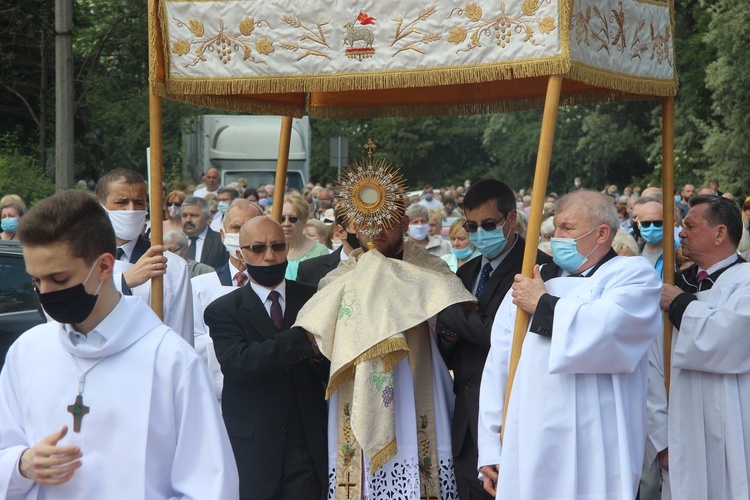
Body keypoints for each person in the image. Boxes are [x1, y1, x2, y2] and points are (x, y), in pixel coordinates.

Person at [0, 189, 238, 498]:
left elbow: (210, 484)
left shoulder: (169, 360)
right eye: (36, 281)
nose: (45, 293)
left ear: (103, 266)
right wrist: (22, 464)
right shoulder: (28, 351)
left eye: (58, 280)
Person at [477, 190, 662, 499]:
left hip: (598, 443)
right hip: (529, 439)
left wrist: (544, 305)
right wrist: (489, 445)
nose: (556, 237)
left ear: (602, 233)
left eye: (567, 228)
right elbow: (499, 365)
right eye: (556, 227)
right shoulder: (532, 282)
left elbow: (609, 333)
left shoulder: (633, 277)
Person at [295, 193, 476, 499]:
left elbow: (455, 334)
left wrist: (445, 333)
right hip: (357, 390)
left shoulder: (433, 271)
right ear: (353, 225)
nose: (376, 230)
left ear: (404, 224)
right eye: (366, 222)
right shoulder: (338, 278)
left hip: (419, 385)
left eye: (387, 222)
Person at [435, 179, 551, 499]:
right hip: (465, 426)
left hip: (509, 417)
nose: (478, 234)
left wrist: (445, 310)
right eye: (471, 226)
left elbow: (498, 335)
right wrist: (448, 334)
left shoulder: (536, 269)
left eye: (488, 225)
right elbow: (455, 345)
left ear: (511, 219)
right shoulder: (467, 271)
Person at [205, 216, 328, 500]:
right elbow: (240, 364)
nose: (270, 256)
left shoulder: (314, 300)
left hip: (307, 444)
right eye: (258, 249)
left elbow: (330, 364)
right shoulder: (224, 310)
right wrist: (301, 340)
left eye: (277, 246)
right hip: (254, 449)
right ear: (240, 254)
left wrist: (319, 354)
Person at [655, 195, 750, 499]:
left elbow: (729, 338)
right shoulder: (676, 283)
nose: (680, 233)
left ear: (720, 233)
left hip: (734, 421)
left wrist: (680, 304)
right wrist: (659, 438)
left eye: (689, 226)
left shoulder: (745, 282)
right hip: (679, 429)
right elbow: (651, 363)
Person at [95, 169, 193, 345]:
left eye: (139, 203)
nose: (131, 210)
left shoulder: (172, 265)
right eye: (122, 202)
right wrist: (123, 281)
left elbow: (181, 336)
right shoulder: (78, 261)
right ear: (101, 208)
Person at [191, 200, 262, 402]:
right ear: (223, 235)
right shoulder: (198, 287)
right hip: (211, 398)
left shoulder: (276, 287)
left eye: (250, 226)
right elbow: (190, 343)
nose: (242, 234)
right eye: (236, 228)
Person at [296, 202, 360, 288]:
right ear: (341, 231)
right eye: (359, 227)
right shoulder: (310, 270)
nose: (368, 233)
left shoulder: (383, 266)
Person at [282, 192, 328, 280]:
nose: (286, 223)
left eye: (293, 219)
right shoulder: (269, 249)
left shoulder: (320, 251)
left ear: (304, 221)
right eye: (282, 218)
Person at [181, 196, 228, 270]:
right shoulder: (175, 242)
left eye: (193, 215)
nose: (188, 220)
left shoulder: (221, 241)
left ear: (208, 218)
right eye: (184, 215)